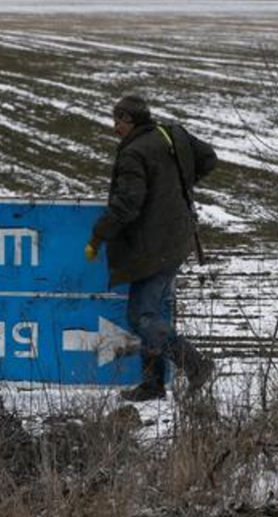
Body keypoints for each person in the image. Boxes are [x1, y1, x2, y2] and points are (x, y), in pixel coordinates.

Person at [86, 95, 217, 402]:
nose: (114, 127)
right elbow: (209, 158)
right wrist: (178, 188)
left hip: (154, 244)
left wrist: (97, 237)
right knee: (153, 311)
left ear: (129, 120)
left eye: (117, 121)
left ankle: (195, 364)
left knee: (141, 315)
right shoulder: (171, 133)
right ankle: (153, 384)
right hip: (179, 236)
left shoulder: (133, 154)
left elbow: (127, 205)